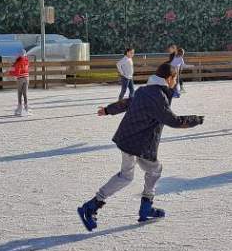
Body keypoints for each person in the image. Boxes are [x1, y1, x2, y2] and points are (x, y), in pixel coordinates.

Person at [77, 64, 204, 231]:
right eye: (175, 79)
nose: (176, 82)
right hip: (140, 143)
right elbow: (173, 121)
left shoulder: (145, 90)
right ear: (169, 79)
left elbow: (128, 102)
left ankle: (93, 205)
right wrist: (196, 119)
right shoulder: (158, 96)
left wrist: (108, 110)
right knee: (155, 169)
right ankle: (145, 206)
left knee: (126, 176)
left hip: (127, 138)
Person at [8, 51, 30, 116]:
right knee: (25, 93)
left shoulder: (18, 62)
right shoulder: (27, 61)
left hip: (20, 78)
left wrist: (10, 73)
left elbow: (17, 72)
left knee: (19, 93)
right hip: (27, 77)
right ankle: (27, 108)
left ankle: (20, 108)